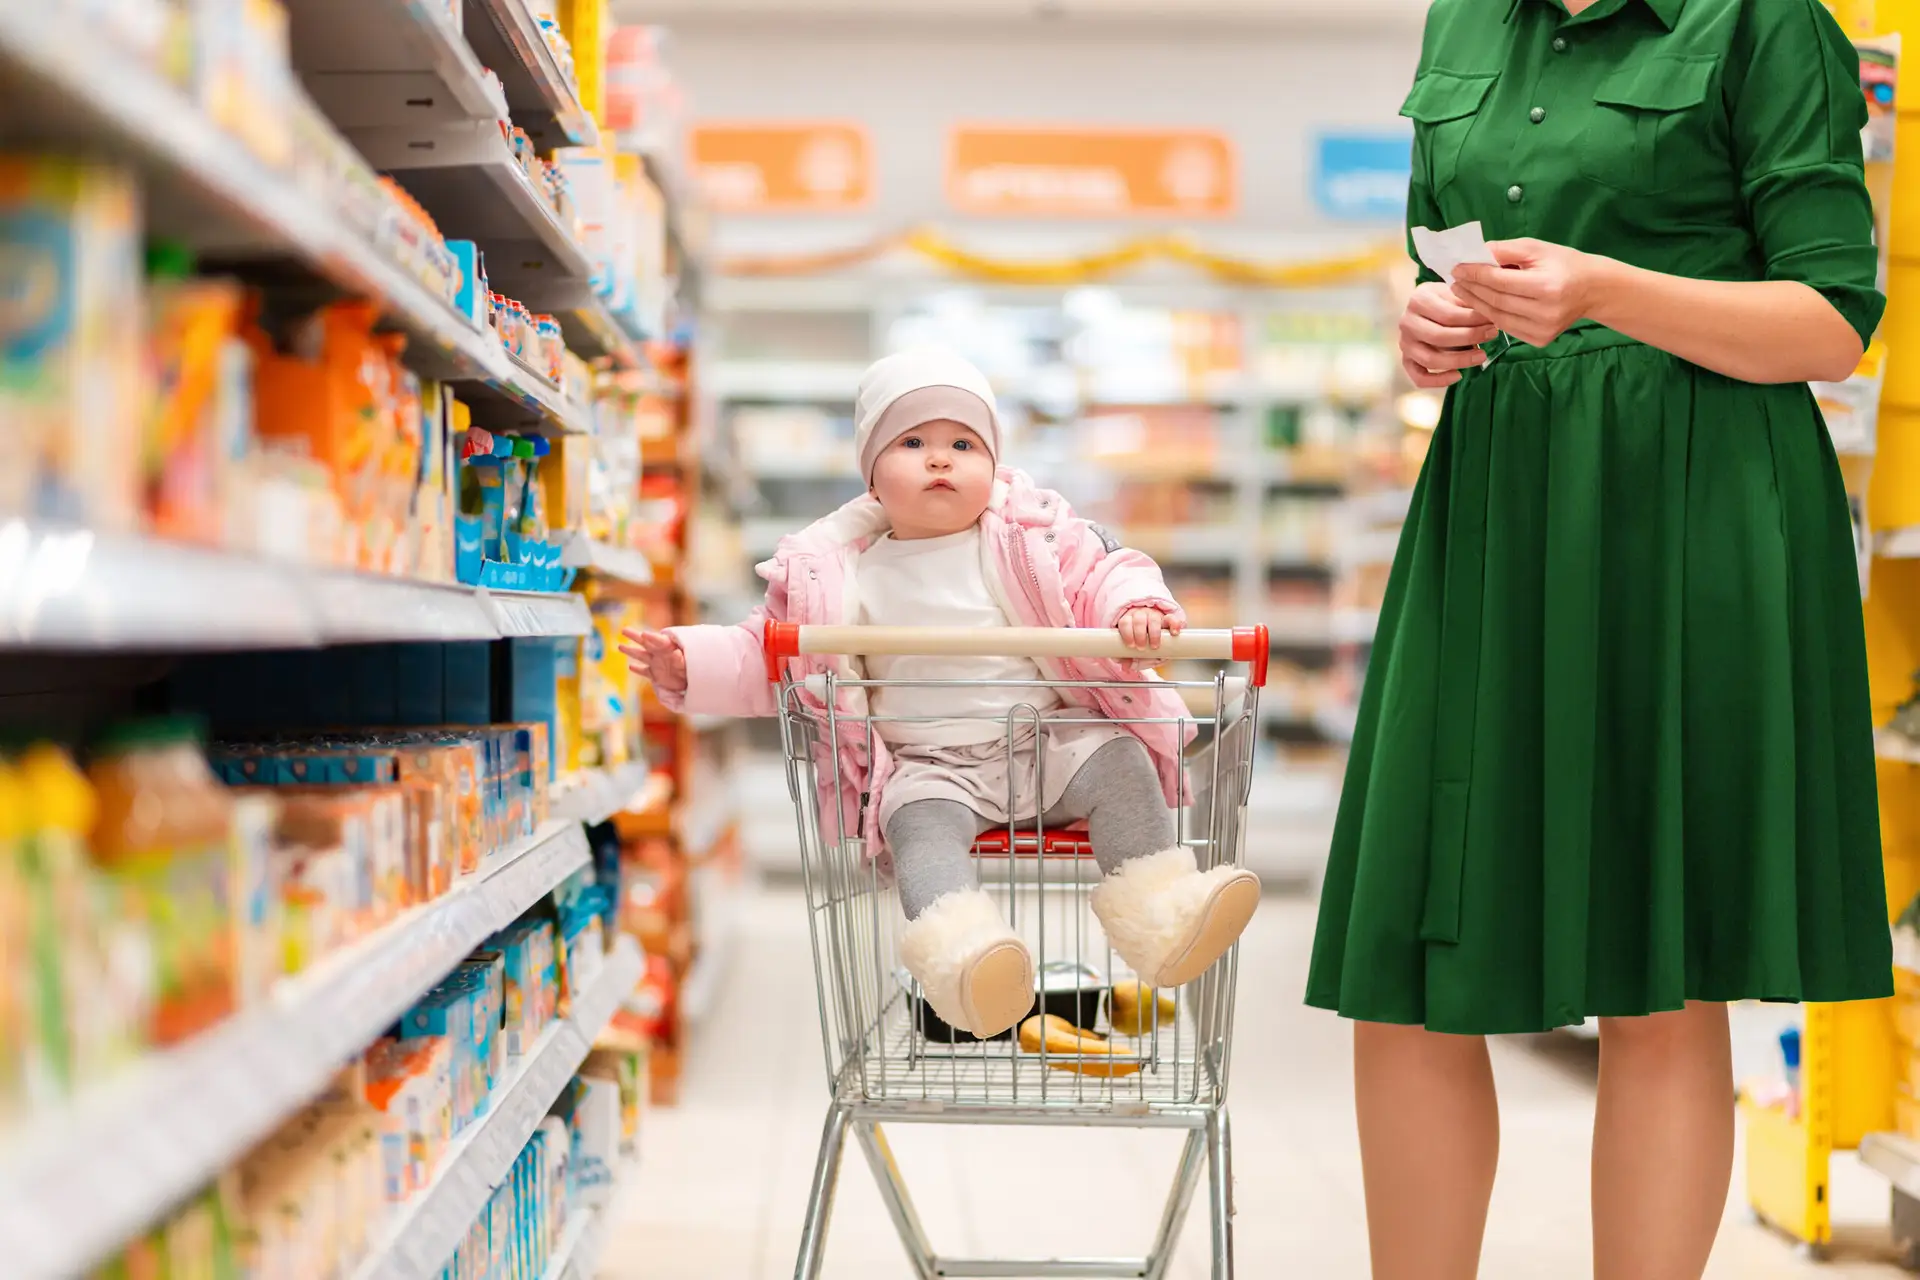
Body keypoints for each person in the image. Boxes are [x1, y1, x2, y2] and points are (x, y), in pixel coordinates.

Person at [1304, 0, 1895, 1277]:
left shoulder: (1765, 22)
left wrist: (1604, 288)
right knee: (1406, 948)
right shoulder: (1463, 20)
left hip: (1690, 511)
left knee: (1661, 973)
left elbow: (1833, 321)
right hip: (1496, 505)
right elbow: (1437, 255)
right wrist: (1426, 324)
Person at [622, 346, 1261, 1040]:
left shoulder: (1032, 536)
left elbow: (1106, 572)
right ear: (871, 477)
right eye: (913, 442)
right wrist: (695, 661)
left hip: (1050, 741)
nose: (940, 459)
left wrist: (1136, 610)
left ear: (993, 465)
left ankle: (1159, 916)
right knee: (915, 831)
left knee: (1122, 764)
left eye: (964, 443)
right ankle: (967, 963)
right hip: (932, 768)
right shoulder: (839, 573)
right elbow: (771, 648)